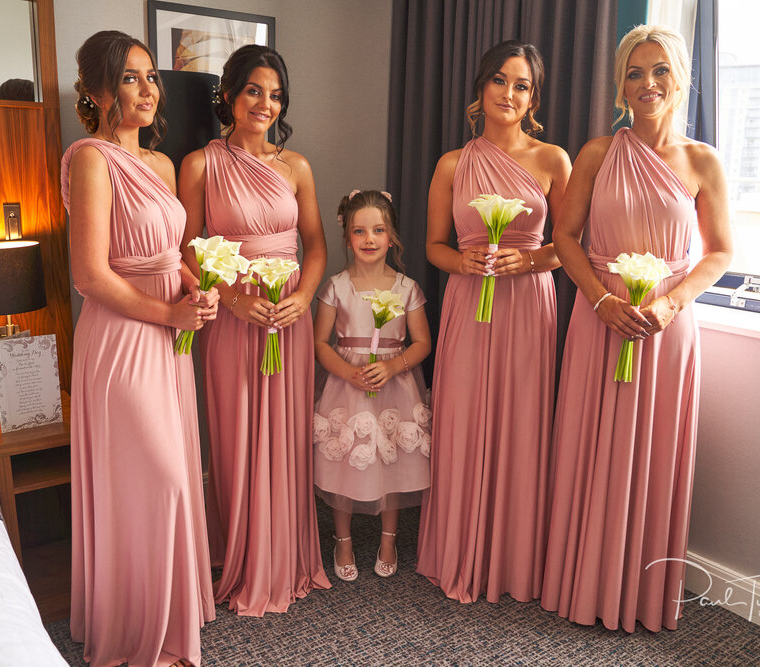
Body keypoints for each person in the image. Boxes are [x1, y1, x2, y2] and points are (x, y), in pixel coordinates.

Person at [540, 24, 733, 632]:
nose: (647, 84)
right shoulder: (597, 153)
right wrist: (598, 301)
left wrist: (672, 306)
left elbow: (720, 253)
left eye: (659, 71)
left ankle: (640, 593)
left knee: (651, 456)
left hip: (664, 327)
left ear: (680, 78)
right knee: (590, 447)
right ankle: (581, 582)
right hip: (600, 320)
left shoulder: (704, 161)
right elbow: (565, 239)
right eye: (633, 73)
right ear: (620, 85)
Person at [63, 30, 216, 666]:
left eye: (151, 76)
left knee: (175, 474)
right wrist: (169, 313)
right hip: (124, 341)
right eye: (130, 77)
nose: (148, 89)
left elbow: (169, 253)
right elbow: (90, 276)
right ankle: (138, 632)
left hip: (170, 337)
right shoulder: (90, 158)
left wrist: (196, 288)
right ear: (98, 92)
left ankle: (167, 616)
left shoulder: (158, 163)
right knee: (156, 481)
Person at [416, 40, 572, 603]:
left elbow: (570, 247)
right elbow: (434, 246)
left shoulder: (553, 160)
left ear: (533, 97)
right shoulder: (453, 165)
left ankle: (510, 558)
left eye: (522, 85)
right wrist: (466, 261)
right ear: (481, 87)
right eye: (501, 81)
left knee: (521, 421)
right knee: (462, 417)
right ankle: (458, 549)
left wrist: (529, 258)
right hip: (468, 301)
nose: (510, 93)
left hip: (529, 304)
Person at [178, 44, 330, 616]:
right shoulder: (199, 165)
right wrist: (231, 300)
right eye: (253, 91)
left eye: (275, 94)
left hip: (289, 318)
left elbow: (314, 246)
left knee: (287, 439)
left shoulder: (298, 168)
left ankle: (287, 555)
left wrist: (304, 299)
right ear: (229, 95)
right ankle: (241, 556)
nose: (265, 104)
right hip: (234, 321)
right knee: (238, 438)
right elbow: (184, 254)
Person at [312, 190, 432, 581]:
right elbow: (320, 343)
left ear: (392, 237)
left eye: (378, 230)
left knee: (390, 458)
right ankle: (342, 539)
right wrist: (348, 372)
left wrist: (394, 366)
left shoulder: (406, 287)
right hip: (348, 385)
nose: (368, 239)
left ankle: (389, 536)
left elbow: (422, 343)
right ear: (347, 237)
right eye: (359, 231)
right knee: (347, 460)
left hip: (394, 385)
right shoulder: (335, 286)